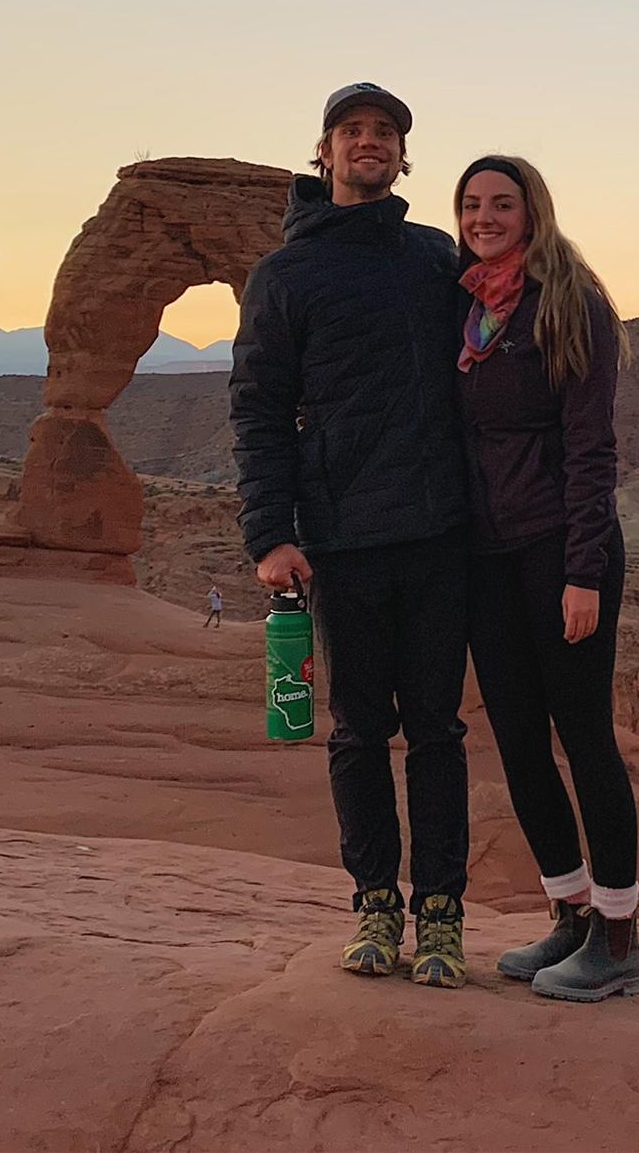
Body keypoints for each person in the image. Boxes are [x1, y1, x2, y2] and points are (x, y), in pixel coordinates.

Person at [229, 83, 473, 988]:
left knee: (439, 731)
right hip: (343, 537)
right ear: (324, 152)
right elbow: (256, 410)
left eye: (385, 133)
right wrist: (270, 533)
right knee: (359, 732)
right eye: (352, 131)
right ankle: (375, 903)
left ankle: (441, 914)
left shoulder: (431, 257)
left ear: (404, 157)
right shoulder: (286, 275)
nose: (369, 143)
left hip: (441, 532)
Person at [453, 153, 639, 1001]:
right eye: (472, 204)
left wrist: (583, 572)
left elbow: (592, 450)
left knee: (586, 737)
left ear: (533, 210)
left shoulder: (572, 304)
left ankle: (618, 940)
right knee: (521, 743)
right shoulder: (469, 308)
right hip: (488, 558)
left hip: (562, 553)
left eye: (501, 203)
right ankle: (567, 914)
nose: (485, 216)